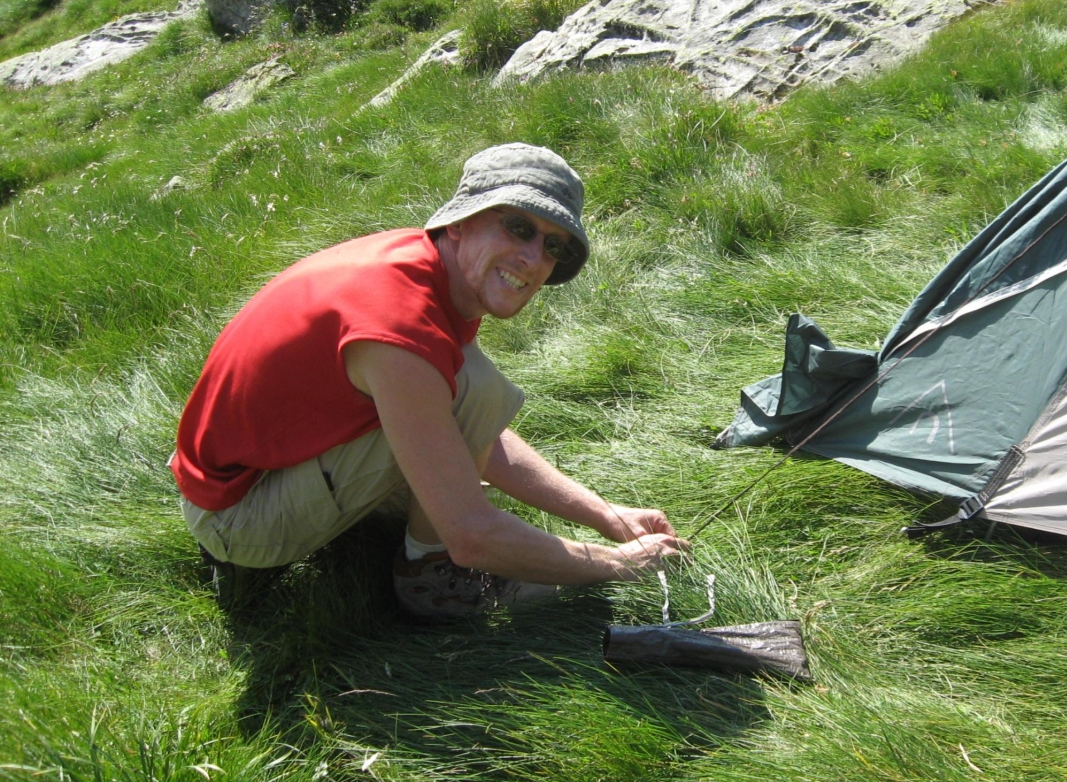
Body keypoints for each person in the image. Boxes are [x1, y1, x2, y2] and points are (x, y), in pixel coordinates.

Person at [171, 143, 689, 618]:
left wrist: (605, 514)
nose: (535, 259)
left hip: (247, 474)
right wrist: (617, 563)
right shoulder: (399, 328)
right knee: (477, 389)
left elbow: (455, 414)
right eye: (518, 227)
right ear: (461, 222)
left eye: (555, 246)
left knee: (474, 387)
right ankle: (432, 580)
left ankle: (420, 542)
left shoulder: (425, 269)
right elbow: (472, 535)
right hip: (237, 518)